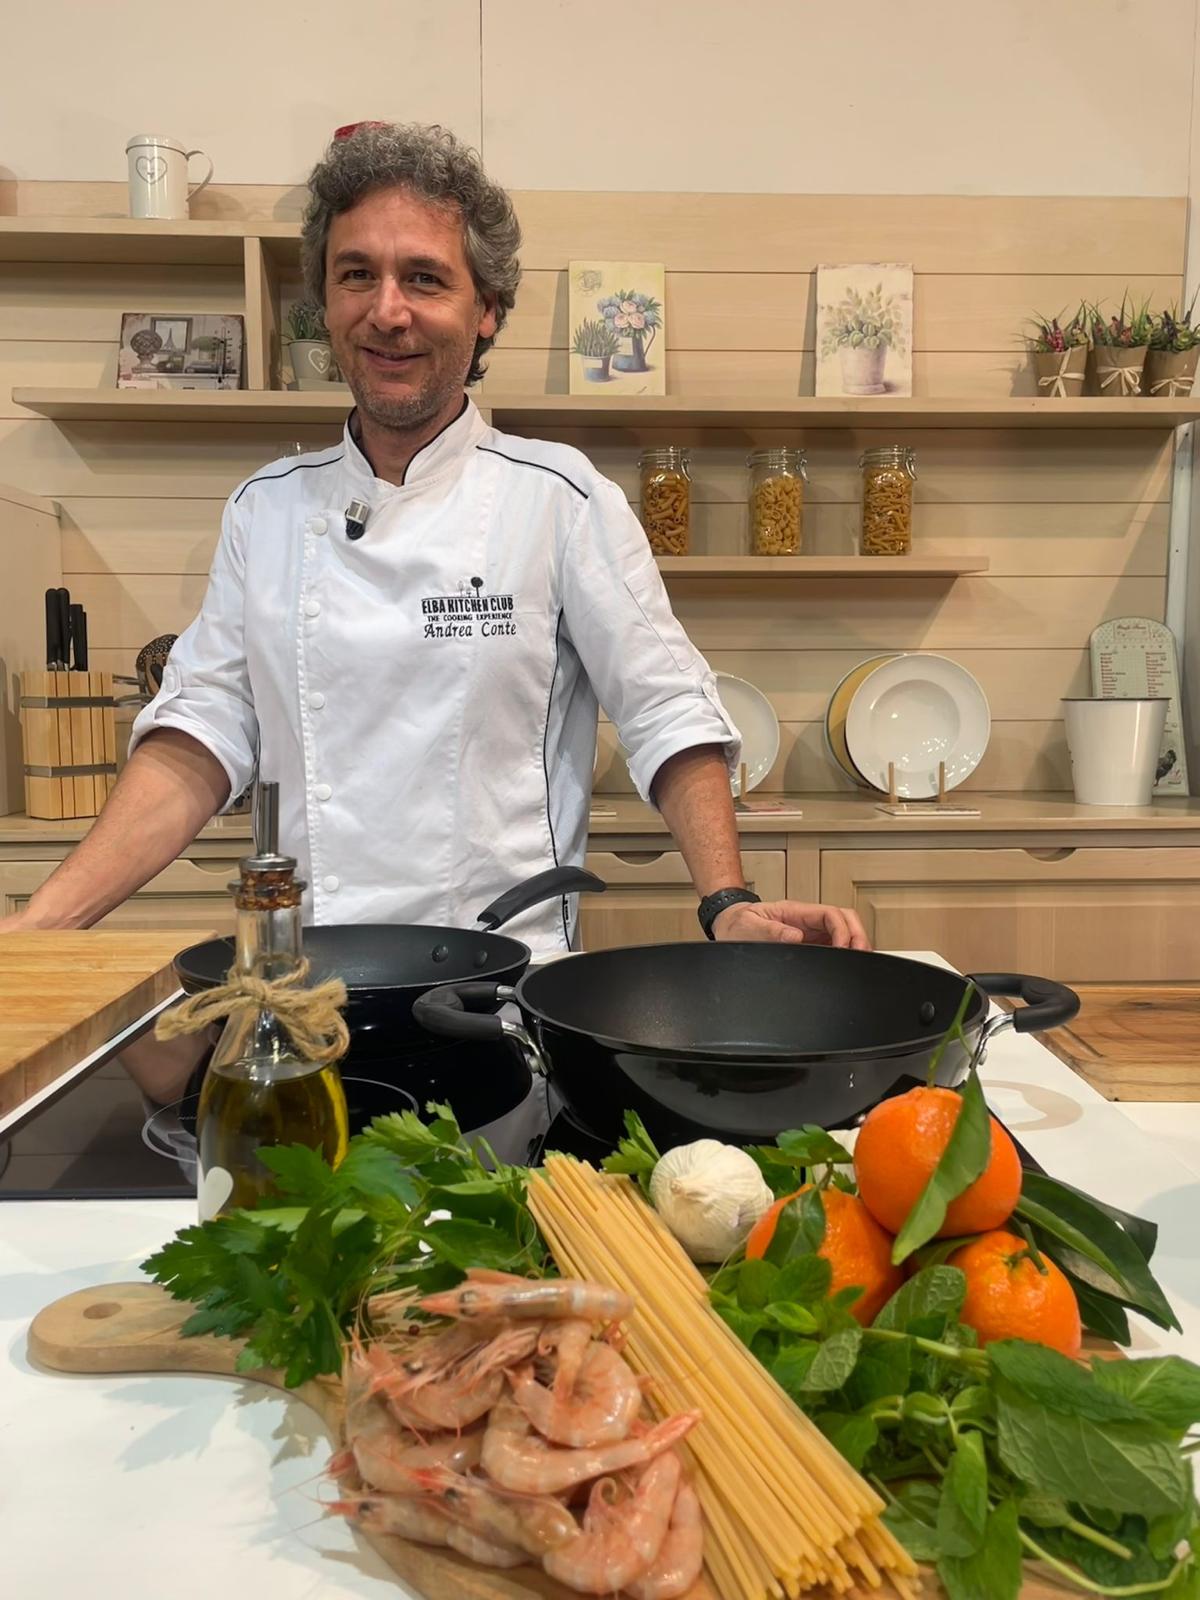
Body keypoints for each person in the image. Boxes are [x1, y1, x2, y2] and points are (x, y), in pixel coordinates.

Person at [3, 123, 866, 1100]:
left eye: (424, 278)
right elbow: (200, 733)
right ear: (324, 301)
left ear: (485, 309)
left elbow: (666, 708)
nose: (388, 311)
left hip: (498, 1000)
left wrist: (727, 901)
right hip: (306, 995)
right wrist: (39, 929)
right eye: (356, 275)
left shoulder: (559, 499)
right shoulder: (266, 510)